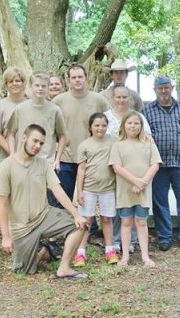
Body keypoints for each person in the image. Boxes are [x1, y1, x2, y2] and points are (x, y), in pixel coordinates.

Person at [0, 124, 88, 278]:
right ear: (24, 138)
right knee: (22, 270)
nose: (37, 146)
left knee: (80, 226)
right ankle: (44, 251)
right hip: (22, 227)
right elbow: (1, 205)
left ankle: (64, 268)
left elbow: (58, 190)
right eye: (34, 141)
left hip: (44, 216)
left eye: (41, 143)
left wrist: (76, 214)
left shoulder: (42, 164)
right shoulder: (6, 166)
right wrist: (6, 237)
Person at [141, 76, 180, 252]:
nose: (164, 91)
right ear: (155, 90)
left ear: (172, 88)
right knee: (160, 203)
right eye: (160, 88)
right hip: (158, 166)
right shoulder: (147, 111)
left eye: (167, 87)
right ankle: (165, 238)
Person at [109, 112, 162, 267]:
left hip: (143, 191)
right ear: (123, 125)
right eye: (129, 123)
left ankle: (145, 256)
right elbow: (116, 167)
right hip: (126, 190)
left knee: (141, 221)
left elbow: (155, 164)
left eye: (136, 123)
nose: (133, 126)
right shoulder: (118, 145)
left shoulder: (148, 143)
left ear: (141, 126)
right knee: (126, 222)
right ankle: (125, 256)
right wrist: (135, 181)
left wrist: (143, 182)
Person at [53, 64, 110, 200]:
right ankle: (68, 222)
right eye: (74, 77)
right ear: (68, 80)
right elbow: (50, 129)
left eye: (80, 77)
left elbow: (110, 128)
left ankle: (88, 222)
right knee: (64, 200)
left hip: (90, 159)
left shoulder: (99, 101)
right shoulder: (58, 101)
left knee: (87, 201)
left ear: (86, 78)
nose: (77, 80)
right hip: (65, 158)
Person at [105, 85, 151, 251]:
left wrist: (142, 179)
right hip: (113, 166)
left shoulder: (138, 117)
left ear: (130, 99)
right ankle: (116, 240)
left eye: (125, 97)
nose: (121, 100)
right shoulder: (107, 117)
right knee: (117, 204)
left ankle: (131, 241)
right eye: (118, 97)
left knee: (133, 203)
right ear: (113, 99)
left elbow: (148, 139)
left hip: (136, 169)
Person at [72, 113, 119, 267]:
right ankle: (80, 252)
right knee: (87, 221)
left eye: (103, 125)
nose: (100, 128)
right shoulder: (85, 145)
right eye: (96, 125)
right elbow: (81, 170)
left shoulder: (113, 141)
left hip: (108, 188)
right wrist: (80, 191)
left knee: (107, 219)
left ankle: (109, 250)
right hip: (88, 189)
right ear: (90, 127)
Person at [5, 72, 67, 168]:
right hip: (22, 162)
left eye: (43, 86)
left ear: (48, 87)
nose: (40, 89)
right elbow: (10, 134)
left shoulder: (55, 110)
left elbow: (62, 135)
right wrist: (12, 155)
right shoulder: (20, 109)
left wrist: (57, 159)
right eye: (37, 85)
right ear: (30, 87)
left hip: (46, 163)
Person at [0, 66, 28, 158]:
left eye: (18, 81)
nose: (14, 84)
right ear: (6, 85)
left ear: (23, 83)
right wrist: (13, 153)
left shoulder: (31, 104)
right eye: (11, 81)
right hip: (9, 157)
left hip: (32, 157)